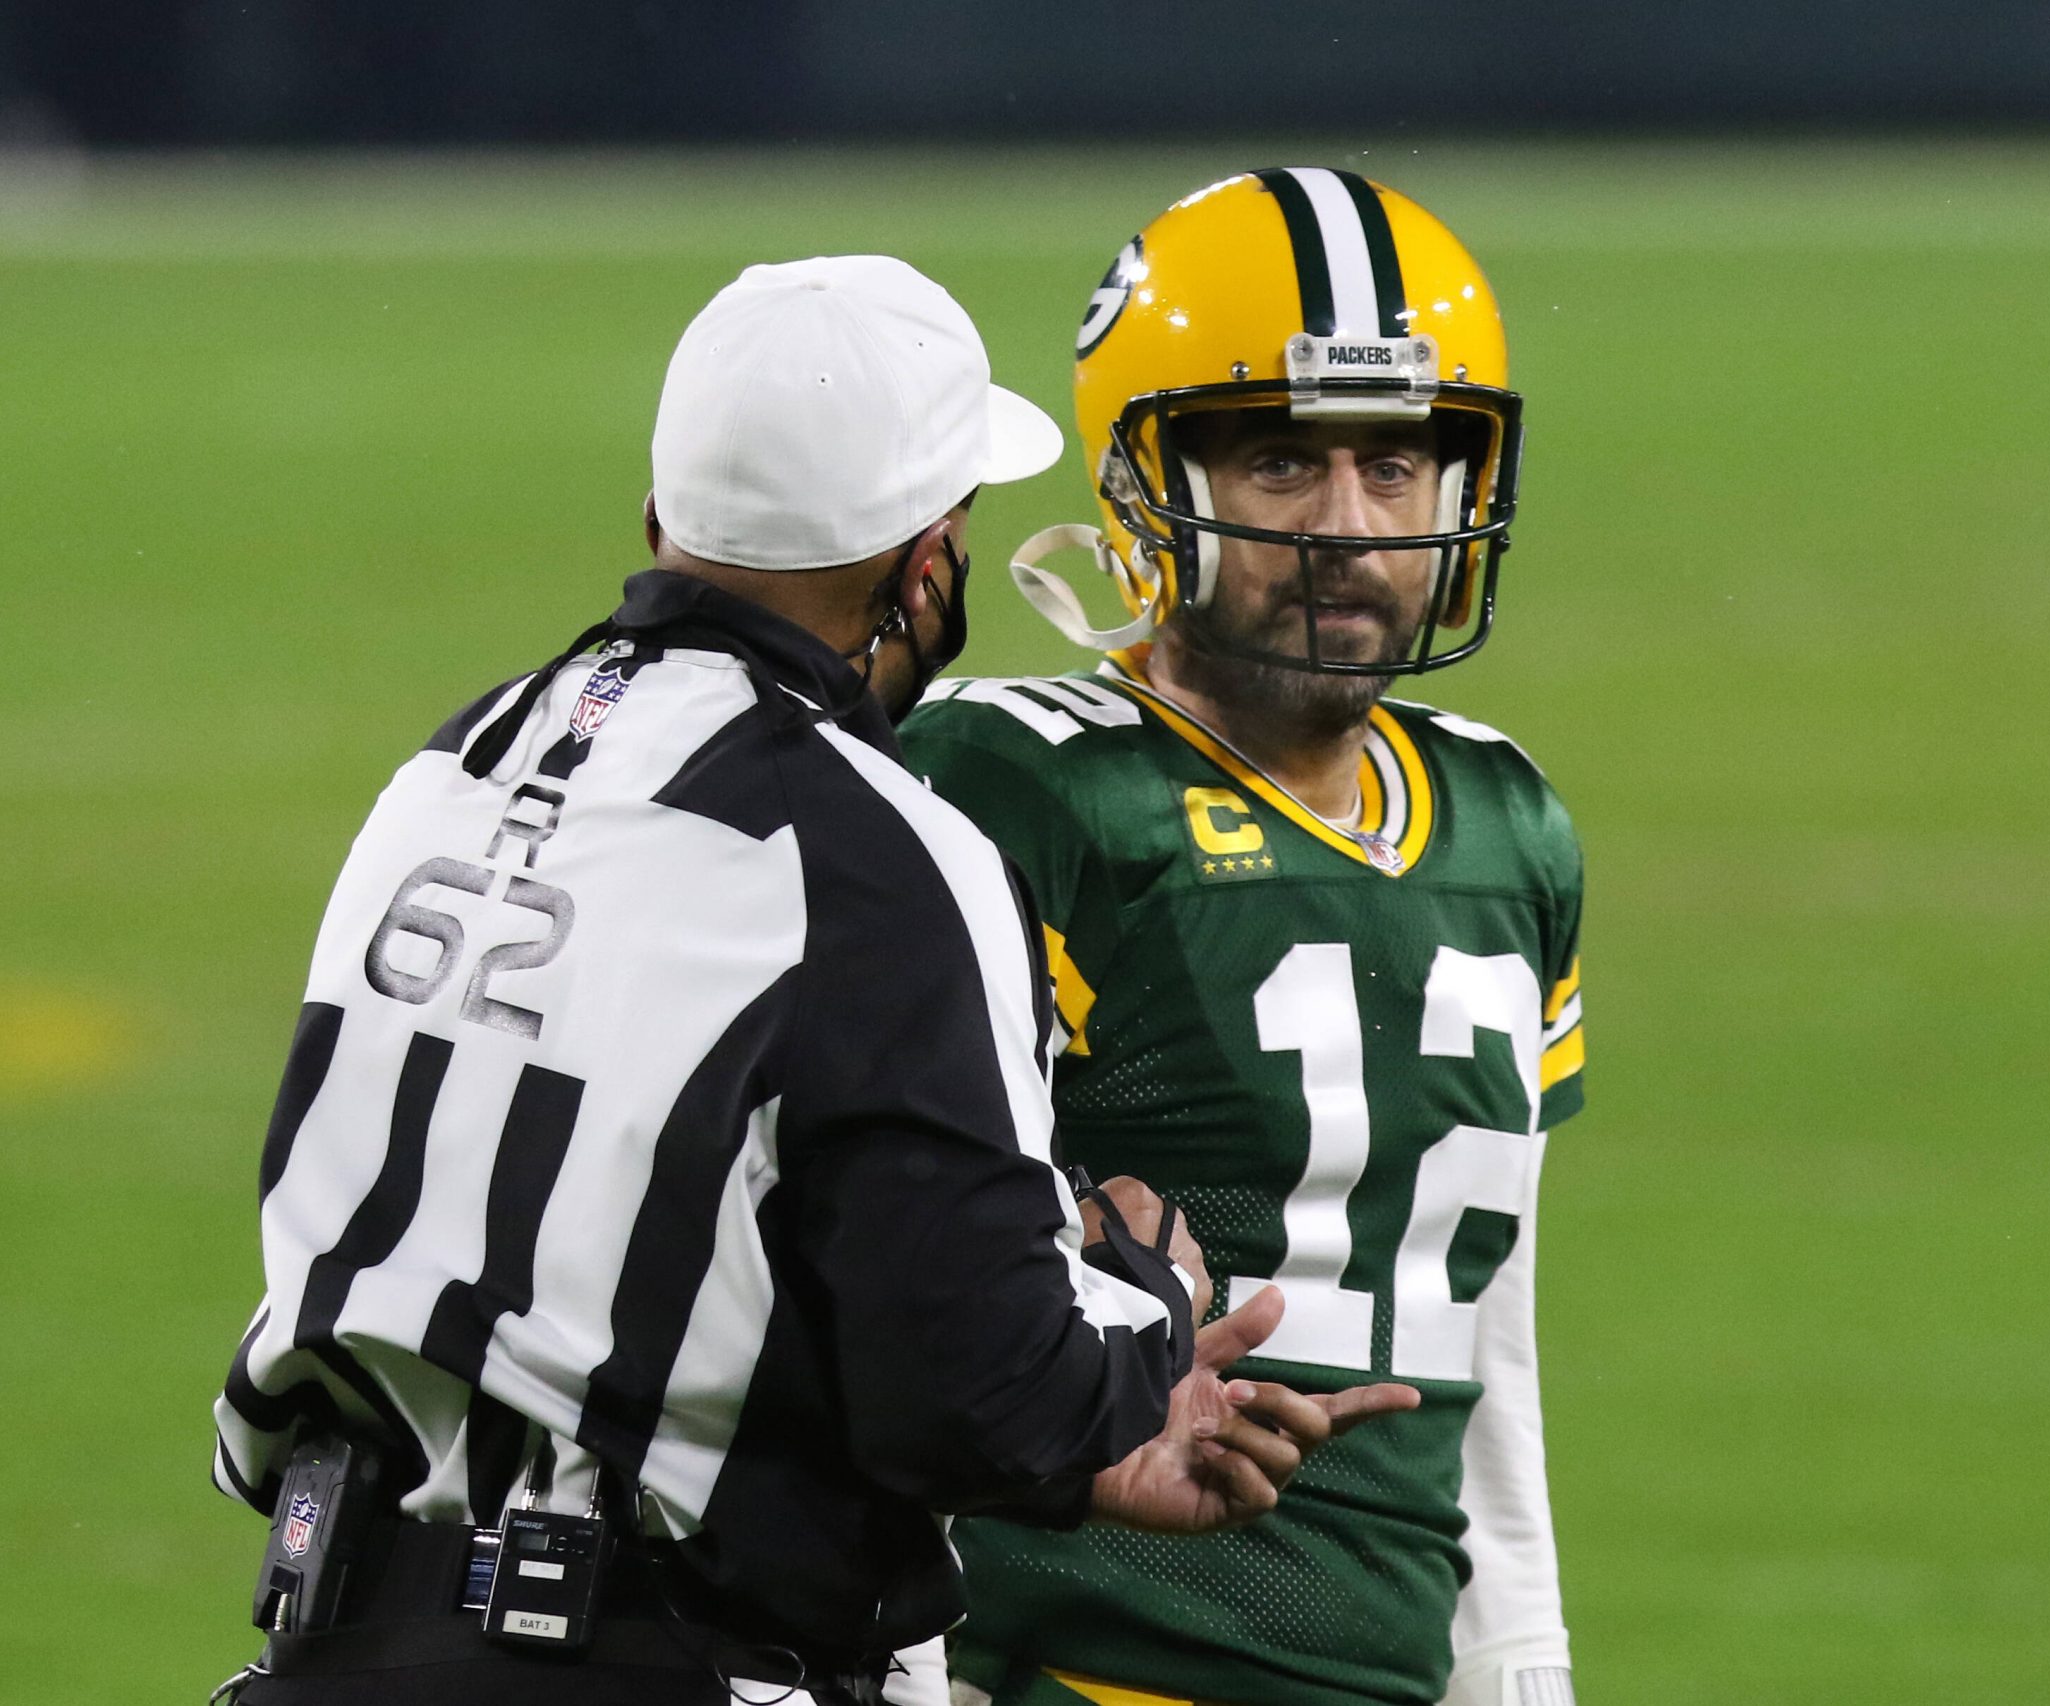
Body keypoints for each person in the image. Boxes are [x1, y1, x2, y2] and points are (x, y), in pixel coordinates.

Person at [208, 254, 1404, 1706]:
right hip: (657, 1661)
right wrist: (1146, 1302)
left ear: (664, 516)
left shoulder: (459, 761)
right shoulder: (877, 852)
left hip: (326, 1644)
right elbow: (985, 1396)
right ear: (927, 558)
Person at [896, 171, 1584, 1706]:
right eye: (1281, 460)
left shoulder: (1505, 822)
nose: (1349, 527)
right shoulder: (1017, 789)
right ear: (1144, 484)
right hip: (1062, 1666)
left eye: (1396, 464)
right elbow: (861, 1268)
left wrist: (1518, 1660)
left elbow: (1483, 1322)